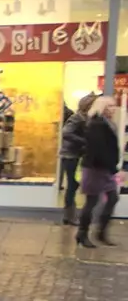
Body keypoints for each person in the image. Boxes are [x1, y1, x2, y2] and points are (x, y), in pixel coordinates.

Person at [77, 96, 120, 250]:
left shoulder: (108, 123)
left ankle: (101, 232)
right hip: (96, 169)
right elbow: (99, 149)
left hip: (105, 168)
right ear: (102, 107)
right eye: (109, 106)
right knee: (92, 201)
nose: (113, 109)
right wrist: (113, 168)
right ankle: (83, 233)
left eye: (114, 106)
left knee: (113, 198)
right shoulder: (96, 124)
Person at [60, 94, 95, 227]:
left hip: (75, 155)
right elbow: (66, 132)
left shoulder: (84, 118)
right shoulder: (77, 118)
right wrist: (84, 142)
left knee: (73, 185)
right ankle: (69, 215)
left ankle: (69, 215)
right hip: (71, 155)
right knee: (72, 186)